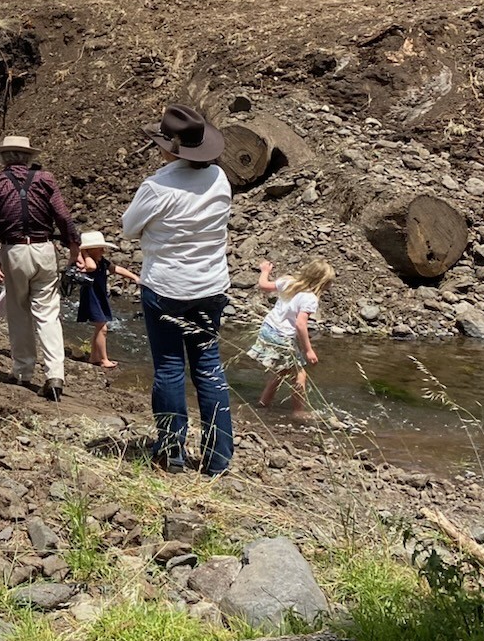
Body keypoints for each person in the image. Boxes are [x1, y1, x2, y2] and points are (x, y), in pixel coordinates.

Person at [121, 104, 233, 475]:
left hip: (167, 286)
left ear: (170, 147)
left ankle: (171, 452)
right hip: (210, 286)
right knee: (208, 367)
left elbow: (128, 228)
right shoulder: (220, 179)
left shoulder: (157, 186)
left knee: (169, 368)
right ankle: (218, 458)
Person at [0, 135, 82, 400]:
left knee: (18, 310)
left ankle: (23, 370)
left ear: (3, 158)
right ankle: (55, 374)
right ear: (28, 157)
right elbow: (63, 215)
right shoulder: (45, 179)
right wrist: (74, 247)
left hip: (13, 250)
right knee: (48, 312)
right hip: (44, 249)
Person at [249, 258, 336, 417]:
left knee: (281, 371)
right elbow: (300, 325)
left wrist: (265, 272)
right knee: (300, 374)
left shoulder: (288, 281)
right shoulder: (310, 299)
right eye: (328, 283)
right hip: (283, 336)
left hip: (268, 329)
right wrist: (308, 350)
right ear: (321, 282)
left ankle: (263, 403)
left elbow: (263, 286)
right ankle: (298, 412)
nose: (330, 286)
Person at [75, 230, 140, 369]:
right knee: (102, 328)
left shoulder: (102, 261)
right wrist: (84, 253)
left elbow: (116, 269)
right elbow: (91, 267)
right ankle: (104, 359)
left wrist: (134, 277)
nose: (103, 251)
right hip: (91, 297)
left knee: (100, 327)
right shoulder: (87, 262)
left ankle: (94, 357)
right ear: (90, 250)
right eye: (100, 248)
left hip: (99, 296)